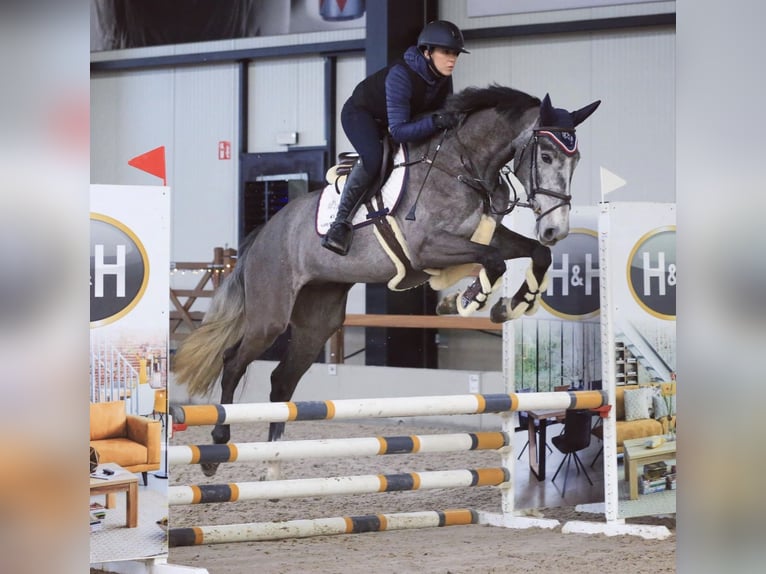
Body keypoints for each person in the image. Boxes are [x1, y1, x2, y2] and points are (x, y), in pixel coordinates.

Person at [321, 20, 469, 255]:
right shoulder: (401, 75)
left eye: (455, 54)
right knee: (373, 158)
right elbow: (398, 131)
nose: (452, 59)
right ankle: (340, 223)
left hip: (399, 120)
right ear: (427, 52)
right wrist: (435, 122)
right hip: (362, 115)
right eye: (446, 52)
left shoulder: (442, 77)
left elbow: (442, 114)